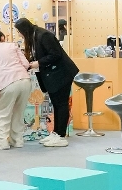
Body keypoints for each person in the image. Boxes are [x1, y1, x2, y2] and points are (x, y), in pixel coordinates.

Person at [15, 17, 79, 147]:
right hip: (54, 75)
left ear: (24, 30)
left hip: (62, 73)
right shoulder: (34, 36)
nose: (19, 34)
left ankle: (61, 135)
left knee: (61, 104)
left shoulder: (44, 35)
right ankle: (56, 133)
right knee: (56, 104)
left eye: (19, 31)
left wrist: (38, 63)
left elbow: (55, 54)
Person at [0, 29, 32, 150]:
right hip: (24, 81)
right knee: (19, 112)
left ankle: (2, 142)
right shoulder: (13, 46)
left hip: (7, 84)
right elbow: (26, 64)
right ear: (3, 37)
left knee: (3, 114)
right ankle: (17, 140)